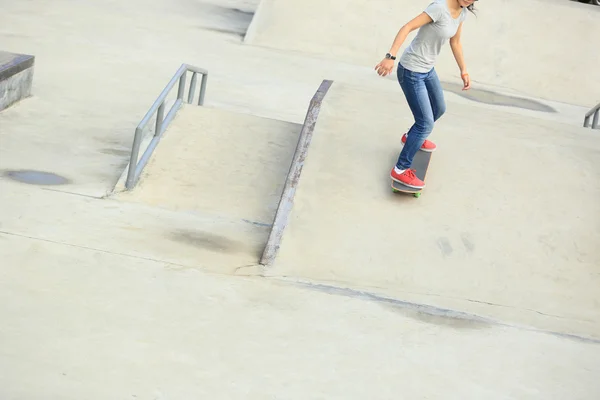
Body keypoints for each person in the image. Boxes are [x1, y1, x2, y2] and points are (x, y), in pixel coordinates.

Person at [375, 0, 477, 189]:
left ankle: (410, 137)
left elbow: (455, 42)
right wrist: (390, 56)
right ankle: (400, 169)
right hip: (411, 70)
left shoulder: (461, 12)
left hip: (427, 70)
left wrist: (464, 70)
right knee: (425, 123)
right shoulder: (439, 7)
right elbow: (407, 27)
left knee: (439, 108)